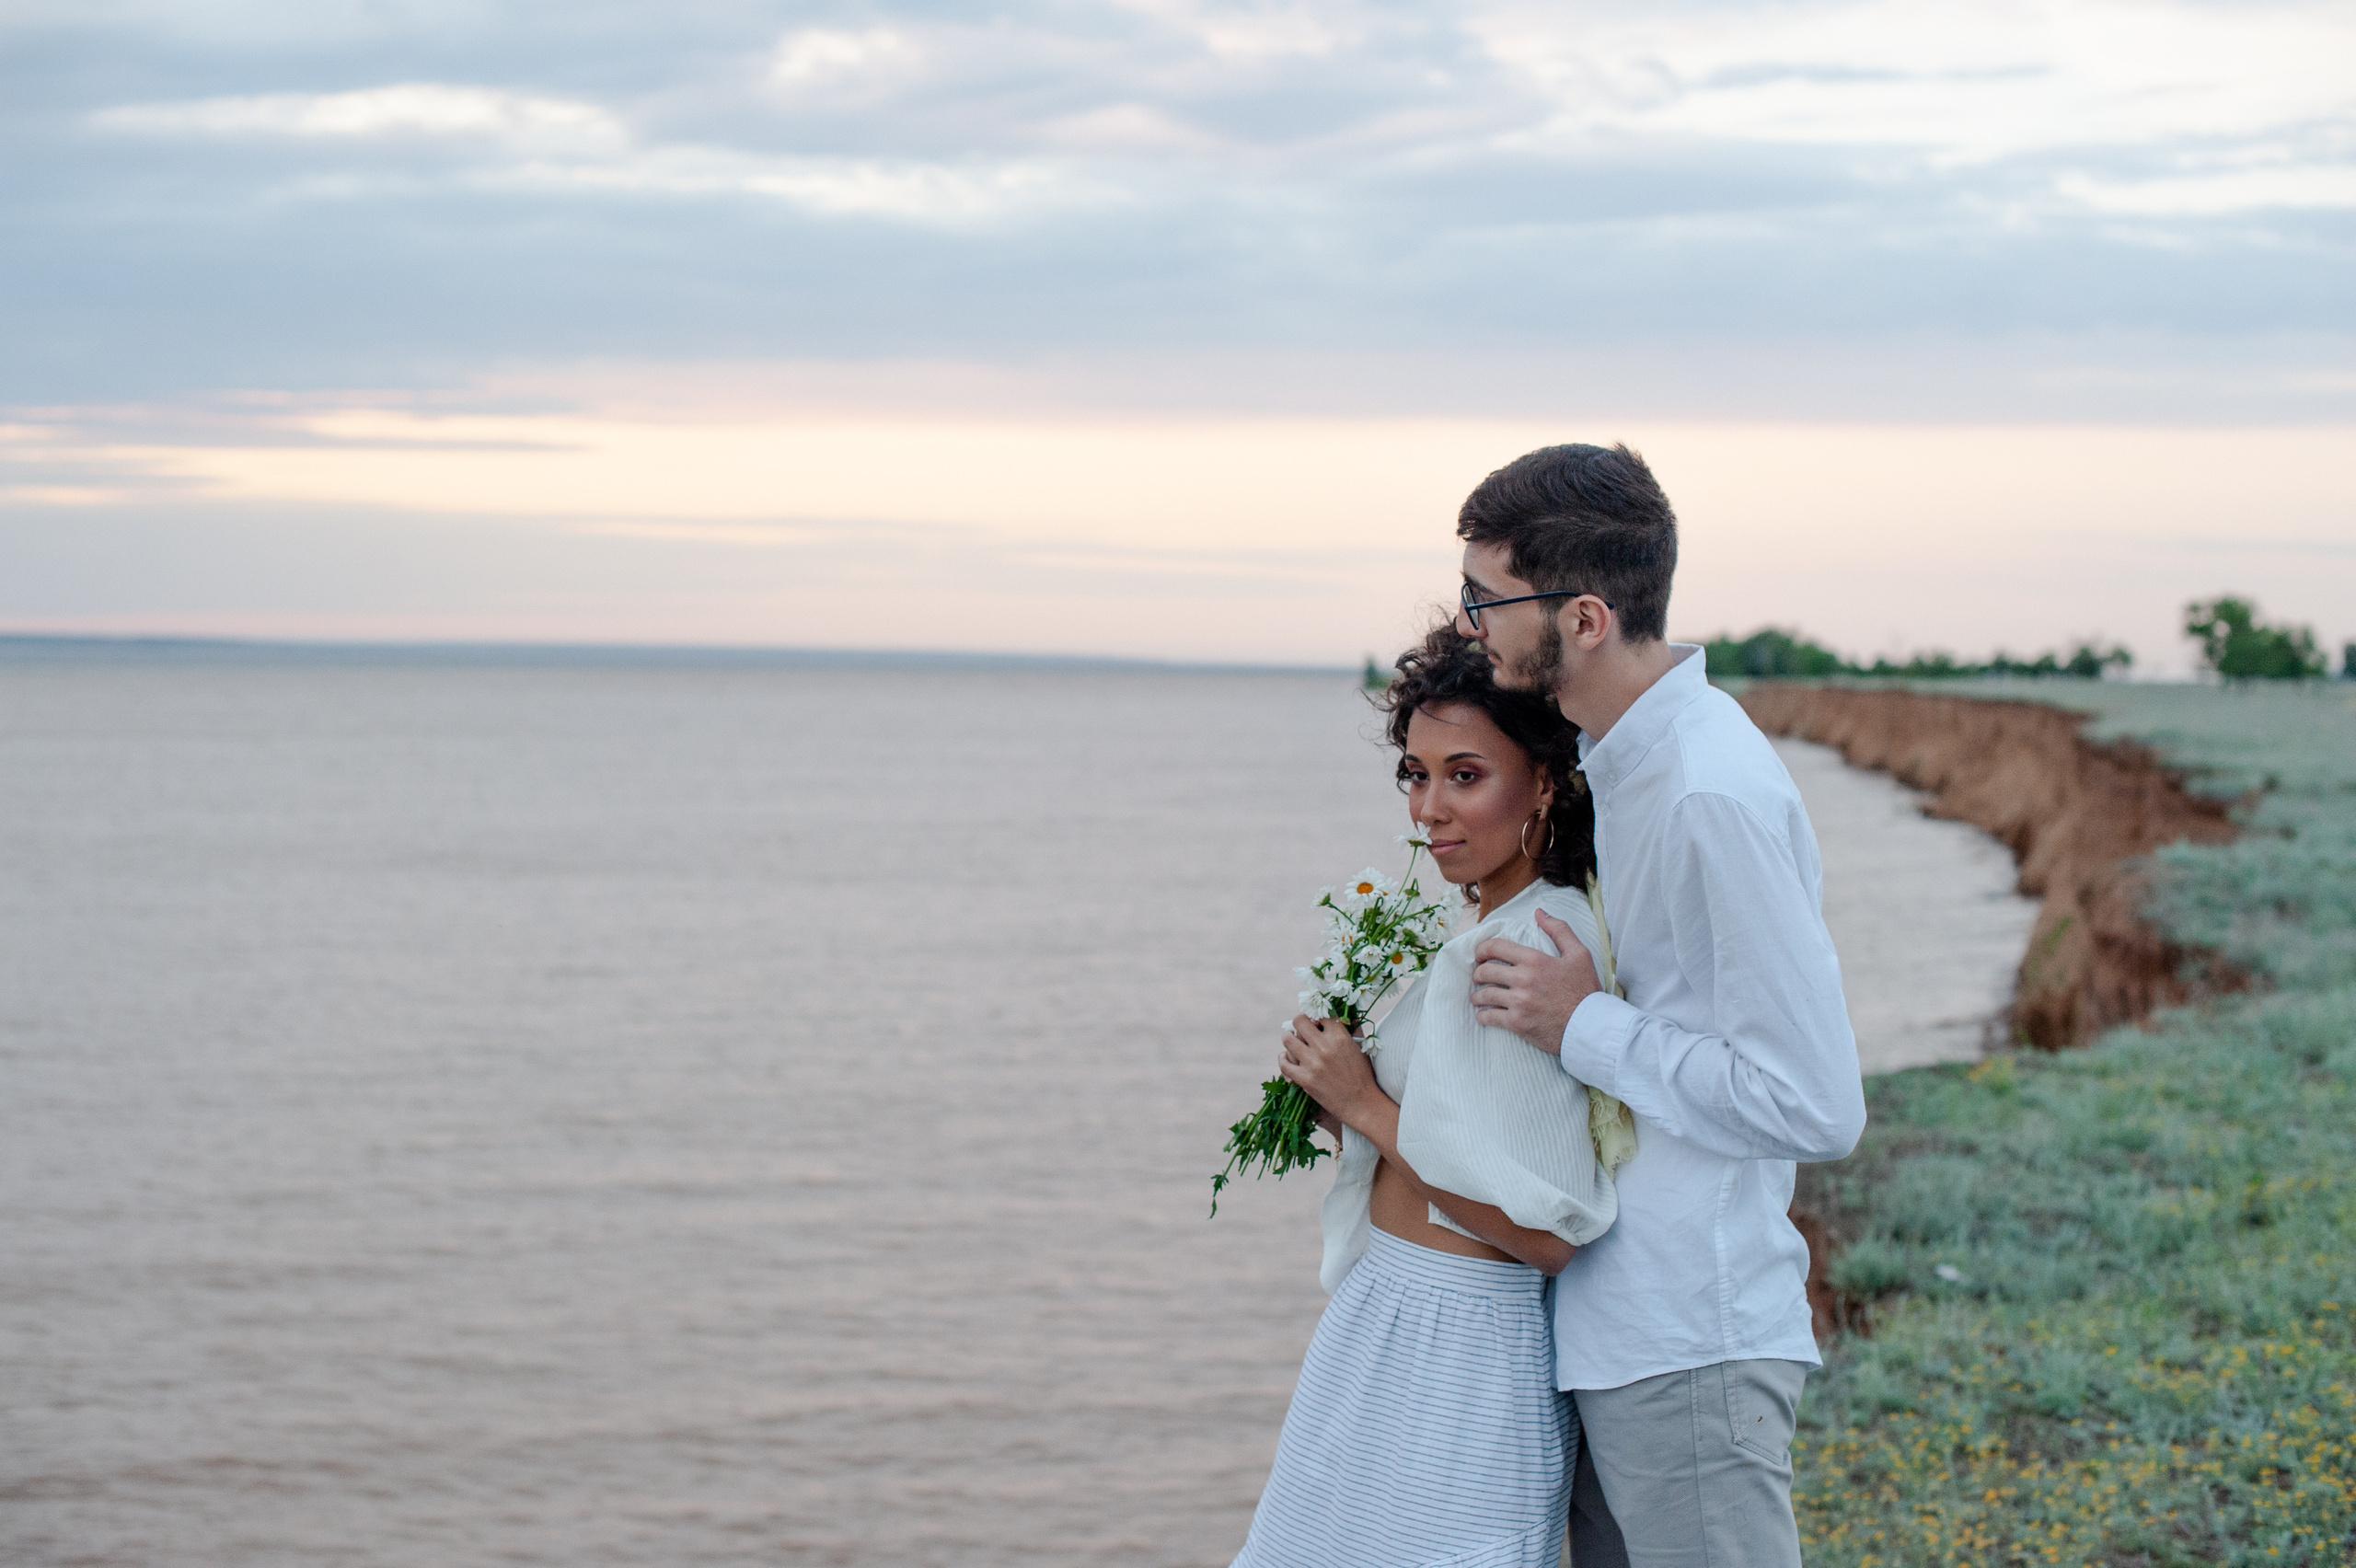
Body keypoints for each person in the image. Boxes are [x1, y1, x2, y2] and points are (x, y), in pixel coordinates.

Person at [1451, 443, 1866, 1568]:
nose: (1470, 625)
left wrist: (1579, 1024)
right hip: (1620, 1325)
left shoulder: (1706, 793)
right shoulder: (1623, 766)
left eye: (1485, 598)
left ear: (1583, 617)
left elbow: (1815, 1104)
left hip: (1691, 1337)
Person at [1232, 626, 1627, 1568]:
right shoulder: (1482, 927)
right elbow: (1461, 1144)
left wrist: (1364, 1104)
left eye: (1464, 775)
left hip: (1462, 1352)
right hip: (1396, 1319)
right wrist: (1344, 1113)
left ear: (1541, 783)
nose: (1428, 810)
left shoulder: (1531, 945)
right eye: (1415, 775)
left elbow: (1545, 1236)